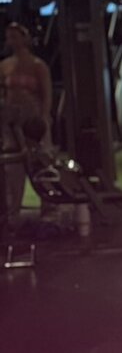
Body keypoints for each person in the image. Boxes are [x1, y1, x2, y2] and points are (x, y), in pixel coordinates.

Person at [0, 22, 53, 219]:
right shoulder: (4, 66)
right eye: (9, 37)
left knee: (40, 162)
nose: (11, 41)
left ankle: (48, 208)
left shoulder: (38, 65)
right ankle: (12, 213)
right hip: (11, 121)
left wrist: (44, 118)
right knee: (13, 166)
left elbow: (46, 95)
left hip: (34, 119)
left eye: (15, 36)